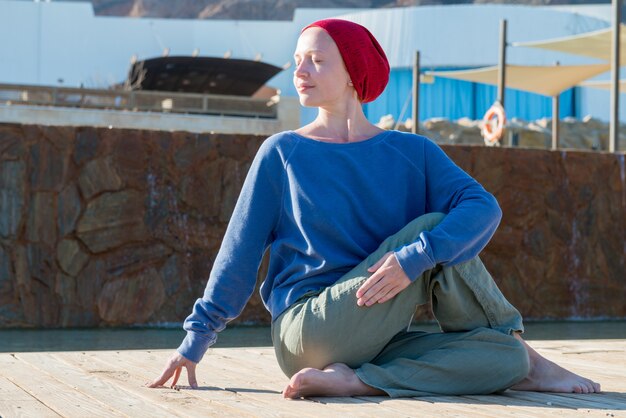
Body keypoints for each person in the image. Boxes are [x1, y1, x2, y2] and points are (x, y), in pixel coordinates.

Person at [149, 18, 601, 398]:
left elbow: (484, 207)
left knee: (502, 358)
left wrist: (416, 258)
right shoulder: (282, 152)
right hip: (307, 330)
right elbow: (239, 254)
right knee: (435, 228)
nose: (300, 71)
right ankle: (529, 356)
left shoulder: (412, 152)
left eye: (317, 61)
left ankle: (362, 381)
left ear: (351, 74)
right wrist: (195, 341)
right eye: (298, 61)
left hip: (376, 338)